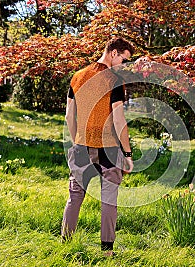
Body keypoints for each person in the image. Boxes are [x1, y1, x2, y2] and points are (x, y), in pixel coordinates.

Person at [61, 36, 135, 256]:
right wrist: (128, 153)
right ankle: (106, 251)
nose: (124, 65)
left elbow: (68, 116)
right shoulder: (113, 80)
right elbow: (119, 120)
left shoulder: (78, 77)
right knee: (109, 200)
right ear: (114, 53)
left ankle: (66, 245)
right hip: (109, 149)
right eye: (124, 59)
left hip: (81, 145)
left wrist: (78, 140)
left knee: (74, 197)